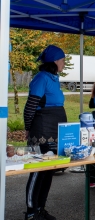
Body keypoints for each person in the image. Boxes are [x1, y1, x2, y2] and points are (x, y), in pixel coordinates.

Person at [24, 45, 66, 220]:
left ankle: (41, 208)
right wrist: (28, 128)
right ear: (55, 61)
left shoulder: (53, 78)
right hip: (41, 130)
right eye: (63, 60)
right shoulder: (41, 78)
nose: (64, 63)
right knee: (38, 170)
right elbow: (31, 106)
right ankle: (31, 212)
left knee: (48, 170)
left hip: (54, 130)